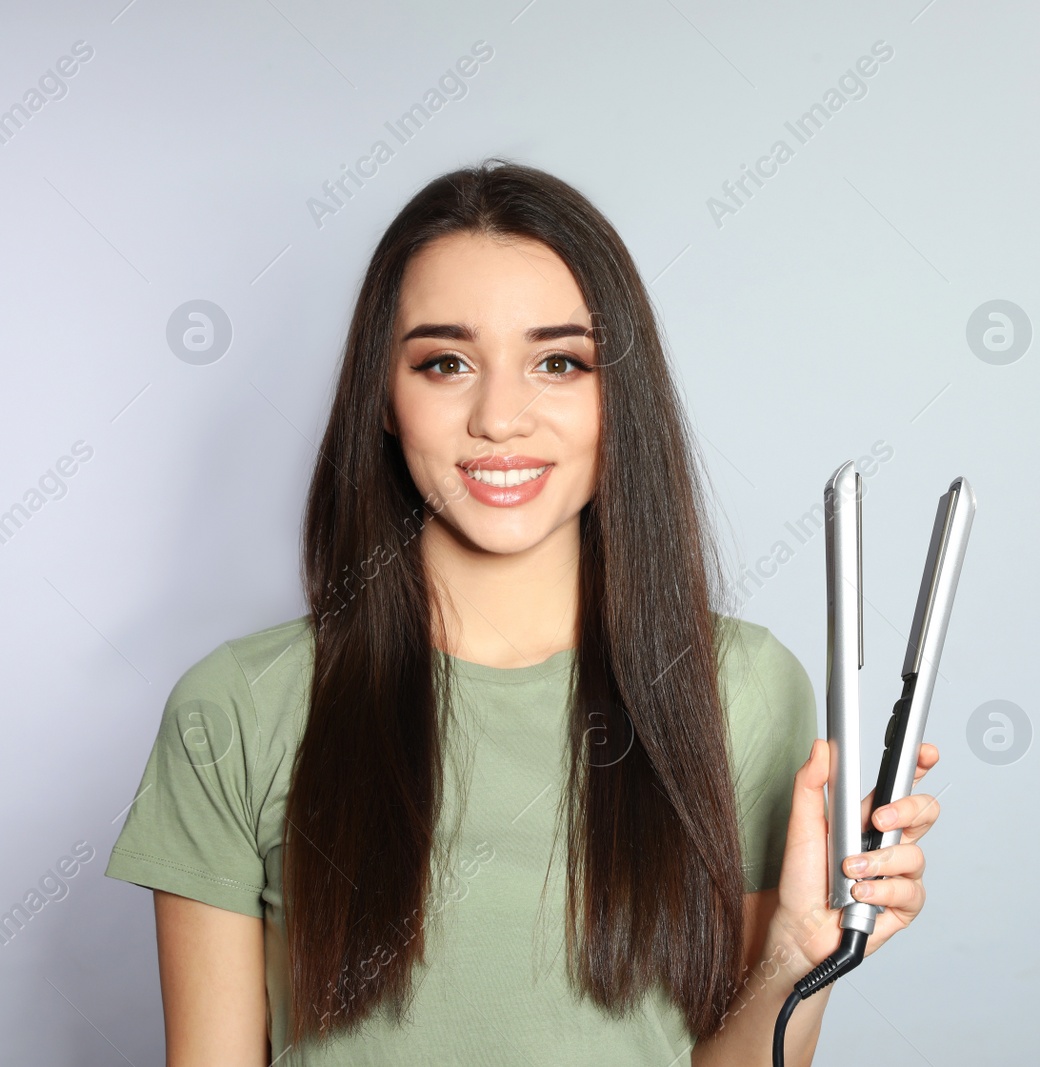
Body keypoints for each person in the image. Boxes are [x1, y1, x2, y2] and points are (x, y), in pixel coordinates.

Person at [104, 159, 942, 1065]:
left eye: (558, 362)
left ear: (616, 395)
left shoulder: (742, 690)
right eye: (446, 362)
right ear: (384, 399)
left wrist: (794, 956)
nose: (500, 417)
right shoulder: (236, 708)